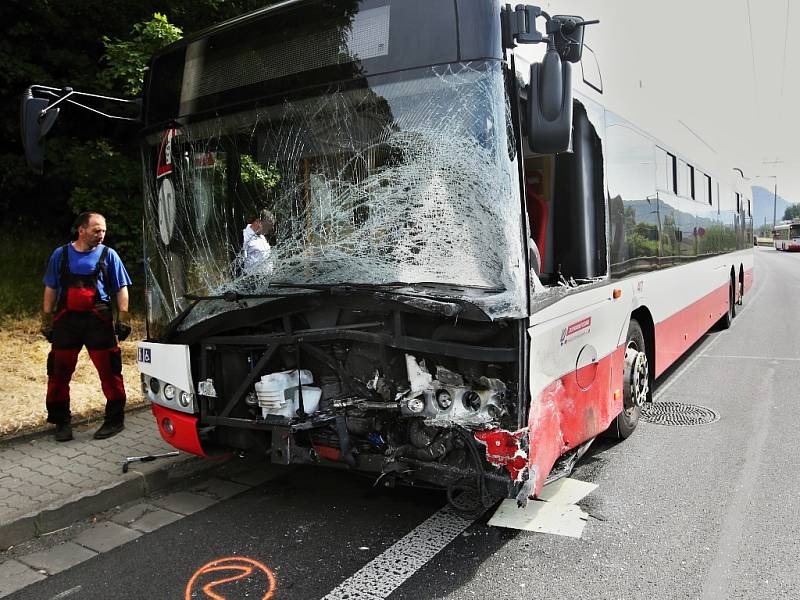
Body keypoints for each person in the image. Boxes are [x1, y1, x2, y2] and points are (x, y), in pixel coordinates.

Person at [40, 212, 133, 442]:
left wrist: (123, 317)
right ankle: (61, 421)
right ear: (81, 230)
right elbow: (51, 288)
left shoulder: (109, 255)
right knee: (58, 373)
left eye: (103, 230)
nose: (101, 235)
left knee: (110, 372)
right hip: (66, 322)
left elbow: (121, 288)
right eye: (96, 230)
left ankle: (115, 420)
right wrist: (45, 319)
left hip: (98, 322)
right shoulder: (60, 255)